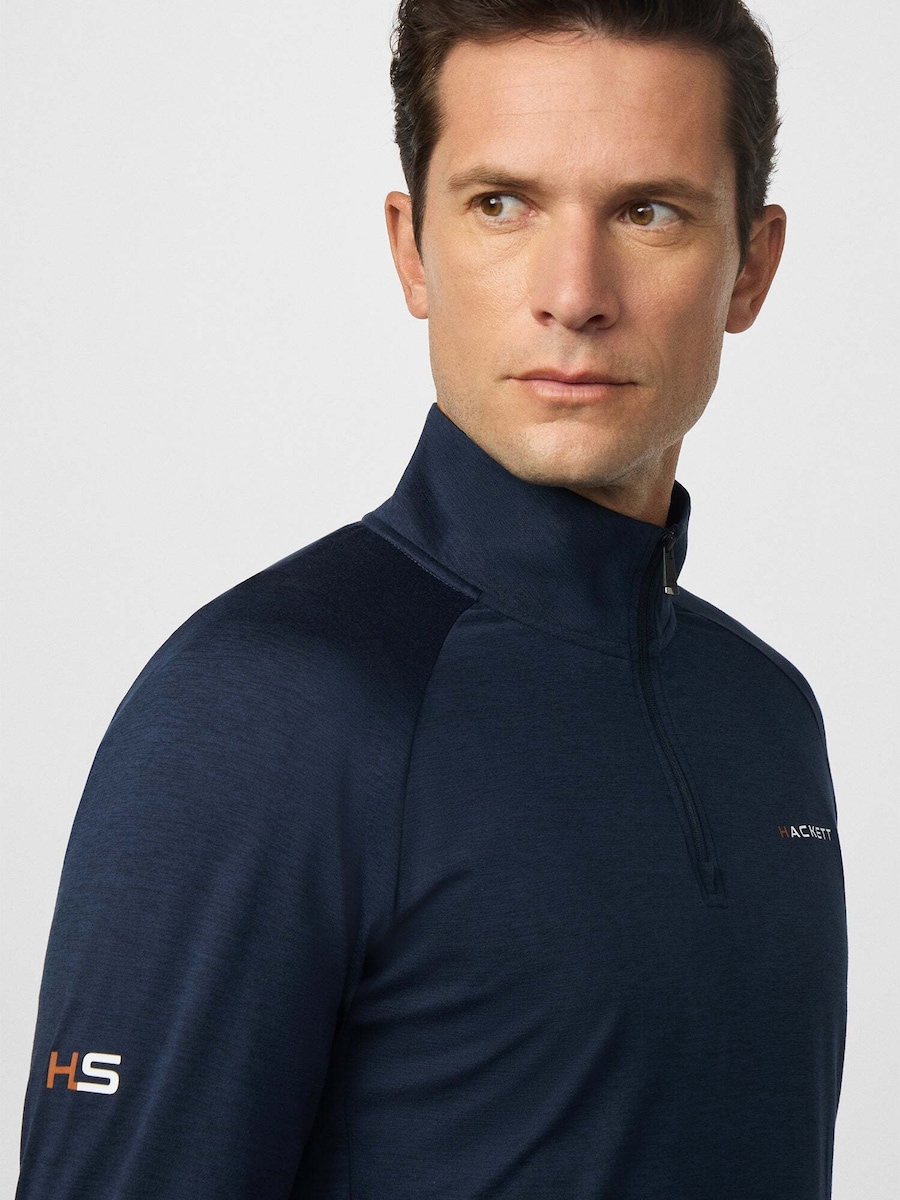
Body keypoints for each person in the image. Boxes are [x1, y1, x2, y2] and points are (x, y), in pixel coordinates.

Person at [16, 1, 848, 1196]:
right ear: (414, 250)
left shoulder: (765, 712)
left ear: (751, 267)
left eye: (647, 211)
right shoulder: (265, 709)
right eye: (502, 203)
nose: (575, 294)